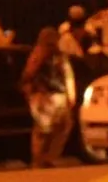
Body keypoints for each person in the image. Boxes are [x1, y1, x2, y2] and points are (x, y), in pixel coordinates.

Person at [20, 25, 76, 168]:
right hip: (46, 96)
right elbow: (29, 75)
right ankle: (41, 159)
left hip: (53, 96)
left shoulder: (54, 56)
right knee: (47, 130)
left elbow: (68, 76)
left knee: (57, 127)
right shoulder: (43, 55)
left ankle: (45, 158)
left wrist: (71, 95)